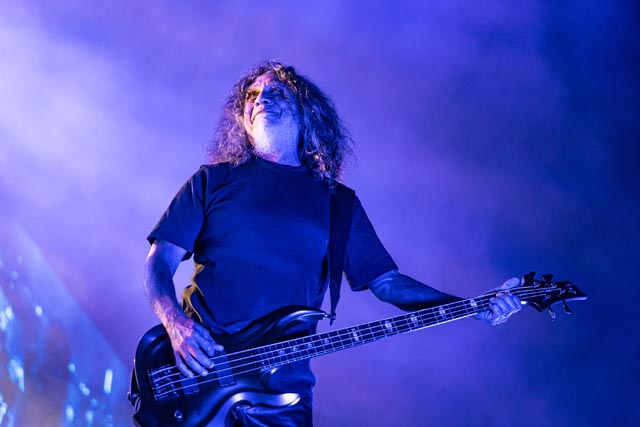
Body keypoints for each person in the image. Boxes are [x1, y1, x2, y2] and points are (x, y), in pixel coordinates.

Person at [143, 61, 521, 426]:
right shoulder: (212, 180)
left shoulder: (339, 204)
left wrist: (473, 307)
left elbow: (388, 283)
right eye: (252, 95)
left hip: (283, 393)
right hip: (198, 373)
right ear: (242, 119)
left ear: (306, 111)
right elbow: (159, 262)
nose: (261, 99)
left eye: (277, 92)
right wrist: (175, 324)